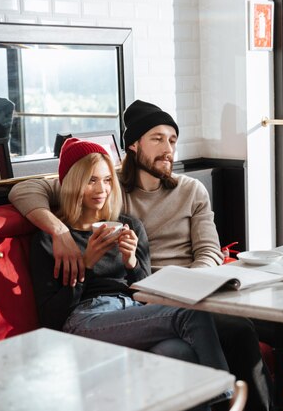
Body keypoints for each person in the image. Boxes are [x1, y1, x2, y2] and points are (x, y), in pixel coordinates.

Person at [10, 100, 283, 411]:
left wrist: (187, 281)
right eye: (158, 138)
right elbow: (34, 188)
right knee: (235, 332)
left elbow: (205, 251)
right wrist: (60, 231)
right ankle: (231, 398)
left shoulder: (184, 192)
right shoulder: (110, 191)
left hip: (196, 291)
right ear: (134, 145)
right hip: (151, 303)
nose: (168, 148)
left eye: (173, 140)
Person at [29, 138, 229, 411]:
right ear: (72, 182)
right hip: (84, 321)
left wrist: (132, 261)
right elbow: (52, 318)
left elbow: (146, 292)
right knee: (190, 312)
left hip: (131, 312)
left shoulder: (129, 226)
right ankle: (227, 400)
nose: (102, 189)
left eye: (107, 180)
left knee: (177, 353)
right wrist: (85, 265)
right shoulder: (51, 239)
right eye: (91, 180)